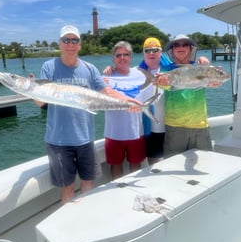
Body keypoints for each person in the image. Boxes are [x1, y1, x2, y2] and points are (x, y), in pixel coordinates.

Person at [35, 25, 141, 204]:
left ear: (79, 44)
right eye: (66, 40)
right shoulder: (48, 67)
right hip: (58, 140)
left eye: (74, 40)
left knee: (88, 181)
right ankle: (68, 224)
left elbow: (106, 91)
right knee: (67, 186)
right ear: (60, 43)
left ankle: (85, 219)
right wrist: (32, 91)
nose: (70, 44)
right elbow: (40, 102)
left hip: (85, 137)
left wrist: (129, 101)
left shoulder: (89, 68)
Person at [156, 34, 213, 157]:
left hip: (200, 126)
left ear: (191, 48)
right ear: (172, 49)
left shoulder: (201, 68)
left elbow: (214, 81)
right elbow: (165, 86)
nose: (180, 47)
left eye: (185, 44)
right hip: (175, 127)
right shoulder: (166, 70)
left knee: (205, 163)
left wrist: (207, 64)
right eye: (177, 45)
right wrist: (162, 83)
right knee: (173, 167)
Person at [103, 41, 147, 179]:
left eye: (125, 54)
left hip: (135, 131)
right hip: (113, 132)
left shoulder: (140, 74)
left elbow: (156, 64)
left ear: (130, 56)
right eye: (118, 55)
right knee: (115, 165)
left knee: (135, 164)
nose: (122, 58)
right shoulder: (105, 77)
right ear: (113, 58)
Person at [138, 37, 167, 165]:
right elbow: (118, 76)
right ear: (143, 53)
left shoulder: (171, 69)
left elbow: (190, 68)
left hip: (171, 125)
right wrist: (110, 69)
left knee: (172, 161)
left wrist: (202, 61)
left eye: (155, 50)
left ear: (161, 52)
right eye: (147, 50)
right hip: (149, 127)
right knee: (153, 162)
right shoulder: (136, 72)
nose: (151, 53)